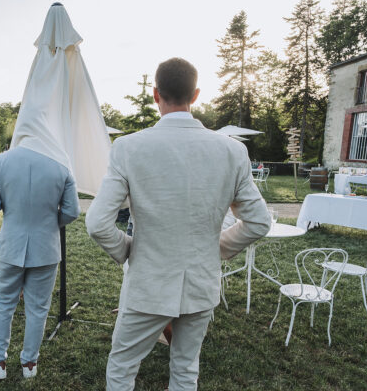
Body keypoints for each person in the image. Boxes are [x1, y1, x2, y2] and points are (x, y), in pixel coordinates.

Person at [86, 58, 271, 390]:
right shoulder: (231, 151)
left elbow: (98, 223)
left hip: (148, 282)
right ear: (196, 95)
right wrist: (213, 249)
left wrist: (128, 250)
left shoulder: (129, 147)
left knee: (123, 366)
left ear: (156, 94)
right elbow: (258, 222)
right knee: (186, 368)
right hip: (201, 282)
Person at [0, 146, 80, 379]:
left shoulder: (0, 162)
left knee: (3, 303)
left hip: (11, 245)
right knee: (39, 308)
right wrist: (50, 225)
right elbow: (73, 211)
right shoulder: (61, 165)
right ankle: (29, 364)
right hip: (46, 247)